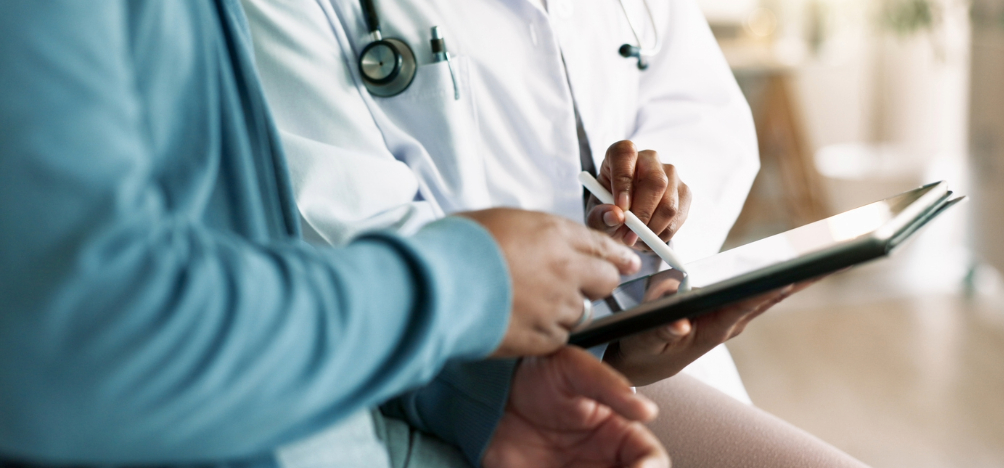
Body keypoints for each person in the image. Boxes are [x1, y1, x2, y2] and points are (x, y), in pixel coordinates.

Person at [0, 2, 674, 467]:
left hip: (369, 418)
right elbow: (69, 344)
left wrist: (474, 398)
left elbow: (229, 262)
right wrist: (464, 283)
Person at [240, 0, 758, 401]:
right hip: (461, 379)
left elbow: (703, 111)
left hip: (663, 345)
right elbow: (342, 217)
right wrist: (601, 344)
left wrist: (656, 224)